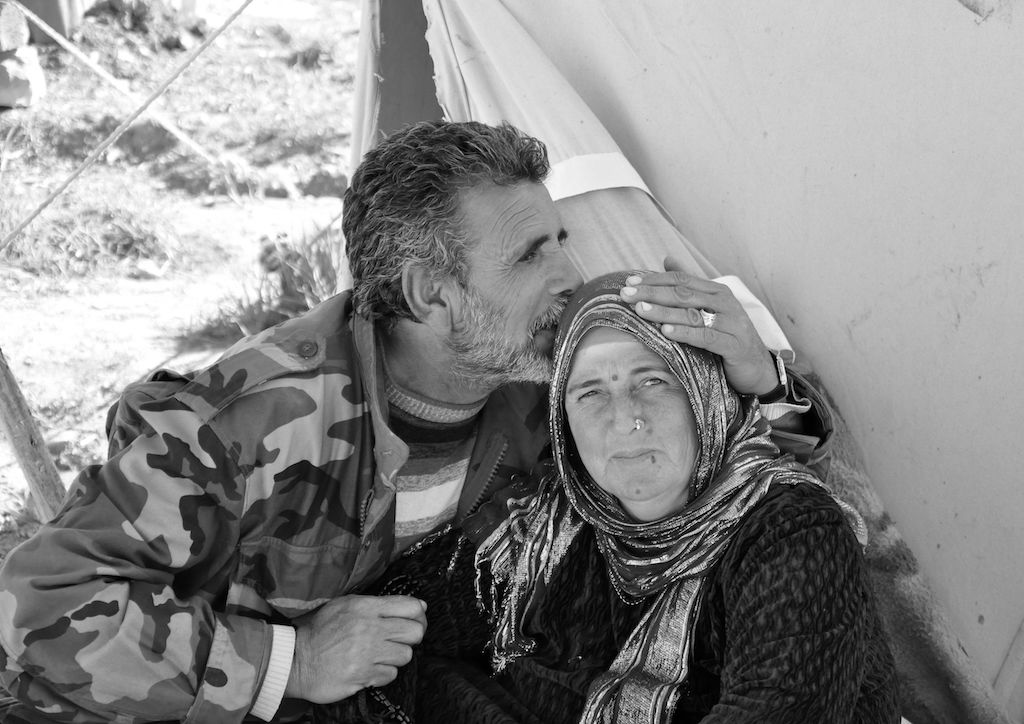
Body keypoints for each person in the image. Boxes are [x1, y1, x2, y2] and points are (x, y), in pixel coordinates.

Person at [0, 121, 819, 723]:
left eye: (560, 240)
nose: (571, 274)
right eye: (532, 254)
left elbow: (718, 486)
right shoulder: (238, 425)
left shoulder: (543, 378)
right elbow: (37, 610)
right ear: (431, 292)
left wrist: (766, 380)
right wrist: (289, 661)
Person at [353, 271, 897, 723]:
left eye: (654, 381)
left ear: (705, 390)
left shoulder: (790, 533)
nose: (625, 420)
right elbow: (389, 633)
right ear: (563, 422)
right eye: (590, 392)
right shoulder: (546, 526)